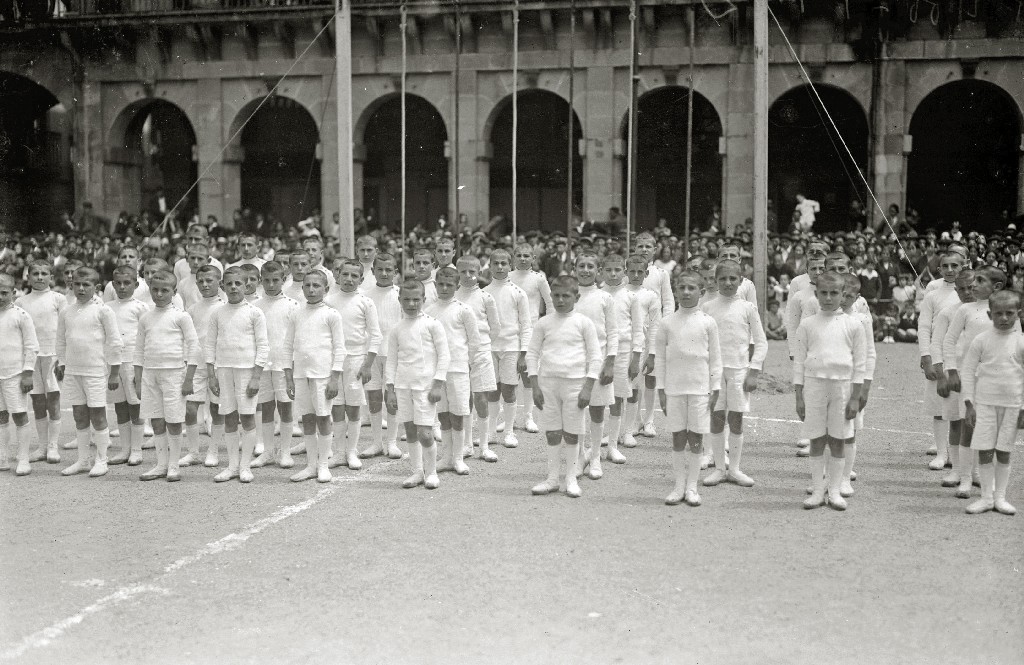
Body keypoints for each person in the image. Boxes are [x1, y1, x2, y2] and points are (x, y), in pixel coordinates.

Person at [793, 271, 867, 511]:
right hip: (814, 386)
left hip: (842, 387)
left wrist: (855, 397)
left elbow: (860, 365)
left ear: (843, 294)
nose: (828, 298)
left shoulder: (853, 324)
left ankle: (834, 491)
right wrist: (799, 396)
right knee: (816, 439)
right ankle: (817, 490)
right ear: (816, 293)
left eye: (834, 293)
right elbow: (799, 363)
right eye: (823, 293)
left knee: (838, 440)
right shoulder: (807, 324)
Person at [942, 266, 1013, 500]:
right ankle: (965, 478)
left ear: (997, 287)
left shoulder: (1005, 312)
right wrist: (952, 371)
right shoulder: (966, 309)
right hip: (970, 377)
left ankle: (982, 476)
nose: (973, 285)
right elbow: (949, 341)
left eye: (980, 281)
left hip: (997, 380)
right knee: (968, 427)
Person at [526, 275, 601, 499]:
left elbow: (595, 357)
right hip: (548, 384)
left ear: (576, 297)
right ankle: (552, 478)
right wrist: (535, 385)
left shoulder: (584, 323)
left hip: (575, 384)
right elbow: (532, 354)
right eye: (556, 295)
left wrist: (588, 387)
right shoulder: (543, 323)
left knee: (572, 432)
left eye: (565, 296)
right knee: (552, 432)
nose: (560, 300)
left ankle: (571, 478)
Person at [655, 271, 721, 507]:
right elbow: (660, 359)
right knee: (678, 436)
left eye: (691, 288)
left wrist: (715, 387)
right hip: (674, 389)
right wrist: (661, 389)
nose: (685, 292)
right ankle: (678, 486)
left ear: (701, 292)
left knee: (696, 437)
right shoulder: (667, 323)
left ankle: (692, 487)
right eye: (681, 287)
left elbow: (715, 358)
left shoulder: (708, 322)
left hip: (699, 389)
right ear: (675, 291)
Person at [700, 259, 767, 488]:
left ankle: (735, 469)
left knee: (736, 419)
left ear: (740, 280)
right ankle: (720, 468)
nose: (728, 283)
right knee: (716, 418)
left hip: (739, 371)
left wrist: (754, 371)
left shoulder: (748, 308)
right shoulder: (707, 307)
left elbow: (761, 342)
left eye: (732, 279)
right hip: (714, 373)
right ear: (715, 280)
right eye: (722, 279)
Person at [56, 267, 123, 478]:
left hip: (96, 371)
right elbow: (61, 340)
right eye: (77, 284)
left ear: (97, 287)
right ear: (71, 285)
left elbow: (115, 342)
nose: (81, 288)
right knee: (79, 415)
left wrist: (114, 371)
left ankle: (101, 460)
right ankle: (83, 460)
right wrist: (62, 362)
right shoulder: (66, 311)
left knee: (98, 415)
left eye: (86, 285)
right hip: (73, 371)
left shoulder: (103, 311)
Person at [961, 289, 1023, 515]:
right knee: (985, 449)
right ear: (989, 315)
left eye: (1009, 313)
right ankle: (986, 498)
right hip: (985, 404)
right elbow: (968, 371)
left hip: (1012, 405)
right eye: (998, 313)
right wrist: (969, 404)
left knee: (1004, 451)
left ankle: (1000, 498)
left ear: (1018, 313)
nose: (1004, 318)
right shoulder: (982, 340)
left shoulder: (1020, 342)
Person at [205, 266, 270, 483]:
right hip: (224, 370)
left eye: (238, 283)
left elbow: (263, 346)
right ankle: (232, 465)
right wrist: (211, 375)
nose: (233, 287)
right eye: (229, 284)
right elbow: (210, 344)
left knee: (248, 416)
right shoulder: (217, 313)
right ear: (222, 286)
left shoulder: (254, 312)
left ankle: (245, 466)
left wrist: (256, 376)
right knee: (229, 417)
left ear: (246, 285)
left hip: (247, 371)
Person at [134, 271, 200, 482]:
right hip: (150, 374)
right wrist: (138, 379)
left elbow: (194, 347)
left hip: (174, 374)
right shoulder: (146, 317)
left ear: (174, 291)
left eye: (165, 290)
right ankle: (161, 464)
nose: (159, 294)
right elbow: (139, 350)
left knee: (174, 420)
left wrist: (189, 378)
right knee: (156, 420)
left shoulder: (181, 316)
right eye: (155, 290)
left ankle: (173, 466)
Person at [385, 280, 450, 489]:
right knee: (411, 431)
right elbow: (392, 360)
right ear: (400, 300)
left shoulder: (433, 324)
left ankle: (432, 473)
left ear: (424, 299)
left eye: (416, 300)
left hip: (425, 387)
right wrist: (390, 389)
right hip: (403, 386)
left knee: (425, 433)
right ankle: (417, 471)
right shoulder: (396, 329)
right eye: (406, 300)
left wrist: (438, 384)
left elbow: (444, 356)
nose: (411, 304)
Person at [282, 272, 346, 483]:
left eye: (316, 286)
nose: (311, 289)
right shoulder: (296, 313)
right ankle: (311, 465)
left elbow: (339, 349)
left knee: (323, 417)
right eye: (307, 285)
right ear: (302, 288)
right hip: (301, 375)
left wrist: (334, 378)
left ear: (326, 289)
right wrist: (289, 376)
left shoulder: (331, 314)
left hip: (323, 376)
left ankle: (323, 465)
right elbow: (288, 346)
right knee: (307, 418)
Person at [325, 259, 382, 471]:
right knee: (337, 405)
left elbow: (375, 335)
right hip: (332, 360)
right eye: (345, 274)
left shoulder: (365, 302)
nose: (349, 279)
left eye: (354, 276)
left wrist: (368, 364)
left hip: (356, 358)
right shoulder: (328, 301)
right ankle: (339, 452)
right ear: (338, 275)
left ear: (361, 279)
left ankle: (352, 451)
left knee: (354, 406)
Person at [426, 266, 481, 476]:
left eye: (449, 285)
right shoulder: (429, 310)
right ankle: (446, 456)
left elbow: (474, 340)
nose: (444, 288)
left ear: (457, 286)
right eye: (440, 284)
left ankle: (458, 457)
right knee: (443, 413)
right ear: (435, 285)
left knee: (458, 413)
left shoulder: (464, 310)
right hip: (436, 372)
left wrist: (468, 362)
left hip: (458, 368)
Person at [572, 251, 619, 480]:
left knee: (597, 409)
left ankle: (596, 457)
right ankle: (580, 456)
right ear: (574, 269)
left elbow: (613, 332)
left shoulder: (605, 297)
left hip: (598, 361)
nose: (585, 270)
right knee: (576, 410)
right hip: (573, 362)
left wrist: (610, 362)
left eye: (590, 266)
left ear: (598, 270)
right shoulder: (568, 295)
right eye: (581, 265)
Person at [16, 261, 67, 464]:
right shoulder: (21, 302)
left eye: (44, 273)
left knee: (53, 400)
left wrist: (62, 359)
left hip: (52, 356)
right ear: (28, 277)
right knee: (37, 402)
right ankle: (42, 447)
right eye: (35, 273)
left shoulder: (58, 299)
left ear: (51, 277)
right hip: (31, 358)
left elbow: (65, 329)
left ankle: (53, 446)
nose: (39, 277)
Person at [250, 261, 300, 470]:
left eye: (276, 280)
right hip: (262, 365)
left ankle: (285, 452)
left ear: (283, 280)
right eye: (267, 280)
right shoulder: (254, 306)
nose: (271, 285)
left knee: (285, 407)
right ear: (261, 281)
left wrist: (292, 365)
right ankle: (268, 451)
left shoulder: (293, 305)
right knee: (266, 407)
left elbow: (297, 338)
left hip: (283, 364)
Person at [918, 250, 965, 466]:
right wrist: (926, 357)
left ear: (964, 266)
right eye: (945, 266)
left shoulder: (969, 294)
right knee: (939, 405)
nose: (950, 270)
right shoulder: (933, 295)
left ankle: (958, 455)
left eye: (955, 265)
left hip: (962, 357)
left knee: (960, 408)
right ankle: (941, 453)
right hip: (939, 356)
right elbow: (924, 327)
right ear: (939, 269)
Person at [483, 249, 532, 449]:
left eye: (504, 263)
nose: (500, 267)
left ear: (510, 266)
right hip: (490, 349)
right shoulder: (484, 292)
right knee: (492, 391)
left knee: (509, 390)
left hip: (511, 348)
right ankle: (491, 432)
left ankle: (509, 432)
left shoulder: (518, 293)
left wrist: (523, 354)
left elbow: (526, 325)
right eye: (496, 263)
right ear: (490, 266)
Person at [930, 270, 975, 485]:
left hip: (979, 376)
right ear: (956, 290)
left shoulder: (988, 312)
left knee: (977, 424)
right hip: (953, 375)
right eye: (962, 289)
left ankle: (974, 471)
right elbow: (937, 345)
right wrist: (941, 377)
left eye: (971, 287)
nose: (967, 292)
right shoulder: (948, 313)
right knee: (956, 423)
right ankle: (956, 470)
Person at [454, 255, 500, 462]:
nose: (467, 275)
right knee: (464, 398)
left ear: (479, 273)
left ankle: (484, 446)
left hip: (481, 352)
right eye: (463, 271)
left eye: (472, 272)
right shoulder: (453, 297)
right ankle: (467, 444)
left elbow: (495, 327)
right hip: (459, 353)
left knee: (481, 397)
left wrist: (482, 345)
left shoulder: (486, 297)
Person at [358, 253, 403, 461]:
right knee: (374, 396)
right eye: (380, 269)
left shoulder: (401, 294)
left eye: (389, 270)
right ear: (373, 271)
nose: (384, 273)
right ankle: (376, 442)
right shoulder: (364, 296)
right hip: (371, 354)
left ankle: (392, 442)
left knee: (392, 397)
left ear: (396, 272)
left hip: (394, 354)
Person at [836, 273, 876, 498]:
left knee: (848, 431)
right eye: (840, 294)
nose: (843, 300)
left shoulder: (862, 320)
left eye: (848, 296)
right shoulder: (824, 316)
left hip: (852, 383)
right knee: (828, 432)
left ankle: (844, 478)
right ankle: (828, 477)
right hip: (829, 382)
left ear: (857, 297)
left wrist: (865, 387)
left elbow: (870, 354)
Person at [182, 265, 226, 468]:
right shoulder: (192, 309)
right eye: (201, 281)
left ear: (219, 282)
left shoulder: (224, 307)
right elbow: (188, 339)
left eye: (210, 280)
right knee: (190, 408)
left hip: (218, 365)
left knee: (217, 408)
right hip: (197, 365)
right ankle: (193, 452)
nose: (205, 285)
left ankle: (213, 451)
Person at [105, 266, 150, 466]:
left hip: (133, 362)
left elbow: (146, 336)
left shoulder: (141, 307)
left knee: (135, 405)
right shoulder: (107, 307)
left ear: (136, 284)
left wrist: (141, 366)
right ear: (113, 285)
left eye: (127, 283)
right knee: (120, 406)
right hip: (113, 363)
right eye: (118, 283)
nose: (122, 287)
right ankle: (124, 449)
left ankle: (136, 450)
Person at [509, 243, 553, 434]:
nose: (522, 259)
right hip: (510, 332)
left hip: (532, 331)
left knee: (528, 375)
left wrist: (549, 328)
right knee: (509, 377)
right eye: (519, 255)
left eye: (526, 255)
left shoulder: (539, 278)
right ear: (513, 257)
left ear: (533, 258)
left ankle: (528, 417)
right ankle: (510, 419)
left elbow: (550, 303)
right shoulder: (507, 277)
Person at [634, 232, 674, 438]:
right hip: (634, 329)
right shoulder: (628, 271)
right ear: (634, 248)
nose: (643, 250)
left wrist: (666, 327)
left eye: (648, 247)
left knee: (651, 376)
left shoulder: (661, 273)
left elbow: (668, 301)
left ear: (654, 249)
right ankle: (635, 420)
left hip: (654, 329)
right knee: (634, 376)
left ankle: (649, 420)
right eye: (640, 246)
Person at [0, 274, 39, 476]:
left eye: (4, 293)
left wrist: (27, 373)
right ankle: (2, 456)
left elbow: (32, 346)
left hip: (15, 374)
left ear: (13, 292)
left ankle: (23, 458)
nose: (0, 297)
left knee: (19, 414)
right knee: (1, 416)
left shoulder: (21, 315)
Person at [622, 255, 660, 448]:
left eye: (640, 272)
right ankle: (620, 429)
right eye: (632, 271)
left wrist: (651, 354)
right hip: (621, 345)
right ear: (625, 272)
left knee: (635, 387)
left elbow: (654, 326)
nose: (636, 275)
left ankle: (631, 429)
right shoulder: (620, 293)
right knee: (618, 389)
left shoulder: (651, 296)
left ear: (646, 273)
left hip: (640, 346)